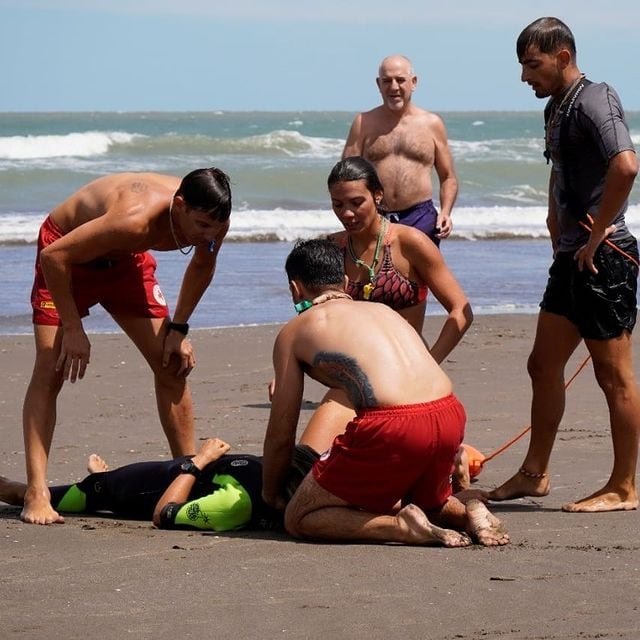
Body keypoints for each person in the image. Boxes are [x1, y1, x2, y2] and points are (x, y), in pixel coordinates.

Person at [262, 239, 508, 546]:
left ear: (296, 290)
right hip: (449, 413)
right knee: (428, 504)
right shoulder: (383, 310)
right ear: (347, 281)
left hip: (394, 426)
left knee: (300, 517)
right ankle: (469, 513)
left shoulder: (295, 331)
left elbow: (281, 429)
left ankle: (400, 528)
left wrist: (271, 493)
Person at [22, 169, 232, 525]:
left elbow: (203, 264)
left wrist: (178, 328)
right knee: (51, 367)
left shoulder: (214, 216)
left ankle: (187, 473)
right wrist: (73, 328)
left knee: (170, 361)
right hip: (66, 258)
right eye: (200, 226)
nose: (207, 236)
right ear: (178, 205)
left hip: (125, 262)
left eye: (214, 227)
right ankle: (36, 492)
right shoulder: (133, 219)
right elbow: (54, 257)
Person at [488, 17, 639, 512]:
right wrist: (554, 220)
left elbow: (626, 164)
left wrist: (596, 237)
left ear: (563, 57)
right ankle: (535, 474)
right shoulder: (556, 107)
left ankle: (623, 487)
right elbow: (562, 167)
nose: (524, 76)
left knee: (612, 377)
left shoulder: (597, 98)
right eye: (521, 66)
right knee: (542, 365)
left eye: (532, 65)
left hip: (606, 258)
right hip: (571, 257)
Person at [297, 156, 472, 453]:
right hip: (353, 381)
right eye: (338, 205)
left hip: (407, 377)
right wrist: (289, 370)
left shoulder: (409, 243)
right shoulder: (331, 248)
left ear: (377, 195)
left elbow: (461, 311)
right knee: (307, 463)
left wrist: (429, 362)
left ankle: (458, 455)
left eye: (356, 202)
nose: (347, 213)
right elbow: (308, 314)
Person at [0, 438, 320, 532]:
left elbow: (164, 513)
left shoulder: (235, 504)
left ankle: (98, 478)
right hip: (161, 471)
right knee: (95, 479)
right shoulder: (291, 478)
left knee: (18, 493)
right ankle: (97, 474)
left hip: (130, 489)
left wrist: (200, 460)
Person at [342, 55, 458, 246]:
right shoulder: (363, 123)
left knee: (421, 276)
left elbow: (448, 177)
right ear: (379, 84)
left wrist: (445, 213)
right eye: (387, 81)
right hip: (375, 217)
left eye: (400, 80)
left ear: (413, 82)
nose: (394, 87)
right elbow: (346, 178)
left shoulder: (431, 124)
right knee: (374, 275)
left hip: (420, 217)